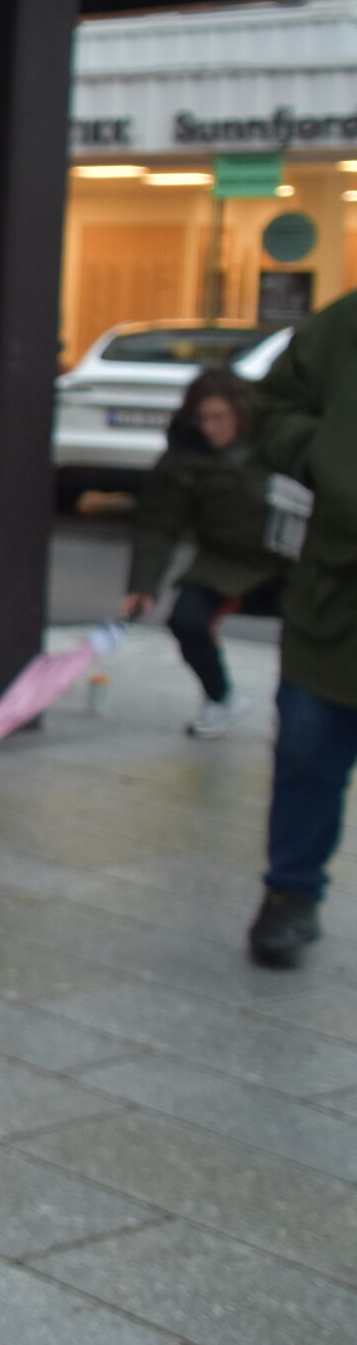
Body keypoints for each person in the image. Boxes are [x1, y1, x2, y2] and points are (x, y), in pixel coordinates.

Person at [247, 288, 357, 968]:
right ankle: (290, 893)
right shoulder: (344, 324)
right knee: (308, 751)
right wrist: (322, 453)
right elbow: (272, 408)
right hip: (336, 593)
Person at [119, 368, 286, 740]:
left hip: (288, 563)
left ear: (240, 413)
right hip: (223, 563)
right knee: (187, 619)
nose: (210, 428)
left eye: (219, 417)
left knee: (314, 630)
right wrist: (142, 585)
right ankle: (220, 697)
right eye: (203, 418)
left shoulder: (275, 441)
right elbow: (159, 525)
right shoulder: (185, 456)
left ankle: (301, 715)